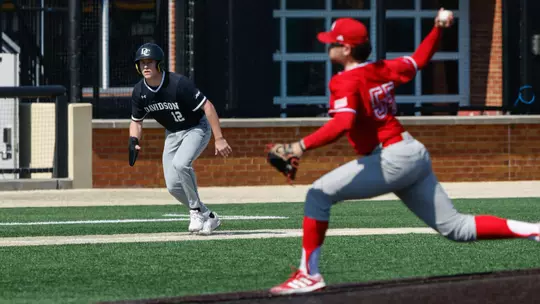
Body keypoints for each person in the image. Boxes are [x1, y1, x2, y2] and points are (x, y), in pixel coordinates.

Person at [269, 9, 540, 295]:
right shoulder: (382, 68)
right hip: (410, 151)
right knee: (455, 228)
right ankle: (534, 230)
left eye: (332, 43)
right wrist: (437, 28)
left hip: (391, 158)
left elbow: (343, 122)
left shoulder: (344, 81)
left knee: (317, 194)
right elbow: (420, 59)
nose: (328, 46)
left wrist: (299, 146)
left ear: (346, 49)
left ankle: (308, 274)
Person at [128, 42, 232, 235]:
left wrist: (219, 138)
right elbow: (136, 121)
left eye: (150, 62)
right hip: (173, 134)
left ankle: (194, 211)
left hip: (196, 128)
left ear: (159, 64)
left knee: (181, 164)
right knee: (173, 186)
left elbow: (207, 106)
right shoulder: (139, 92)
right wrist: (134, 141)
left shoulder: (177, 84)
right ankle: (208, 215)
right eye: (141, 63)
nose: (145, 67)